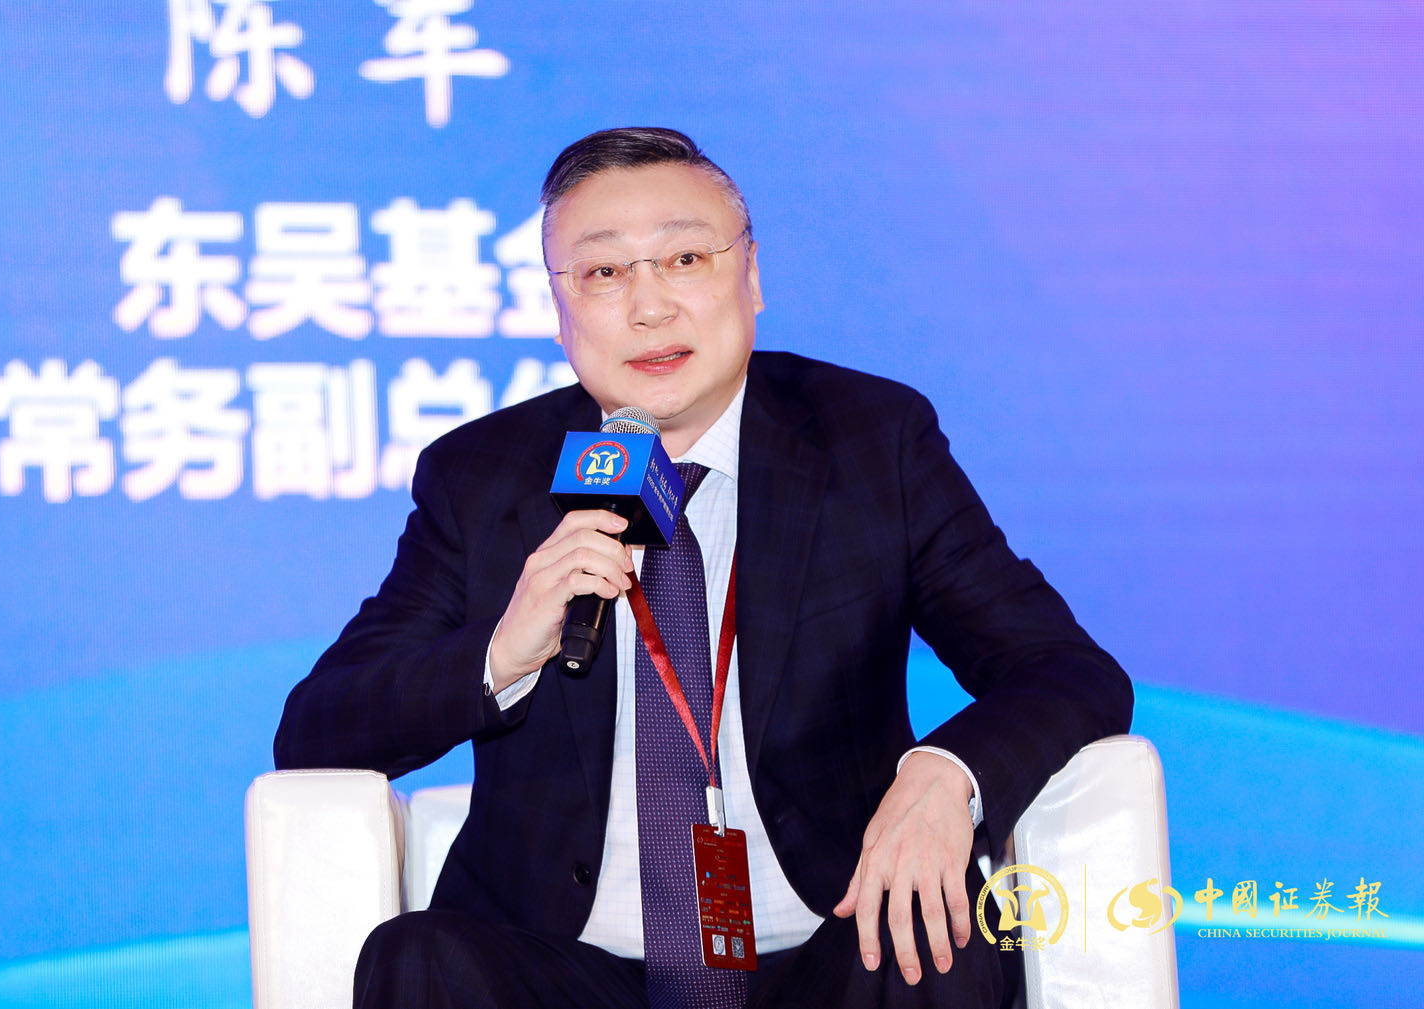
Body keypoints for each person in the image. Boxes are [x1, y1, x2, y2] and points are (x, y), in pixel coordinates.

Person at [274, 127, 1133, 1008]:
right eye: (605, 272)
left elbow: (1066, 669)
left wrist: (948, 773)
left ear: (750, 276)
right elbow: (315, 731)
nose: (650, 307)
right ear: (560, 310)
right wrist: (501, 653)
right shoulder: (482, 476)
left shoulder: (871, 441)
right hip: (567, 969)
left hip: (830, 947)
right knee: (420, 959)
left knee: (934, 944)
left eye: (685, 258)